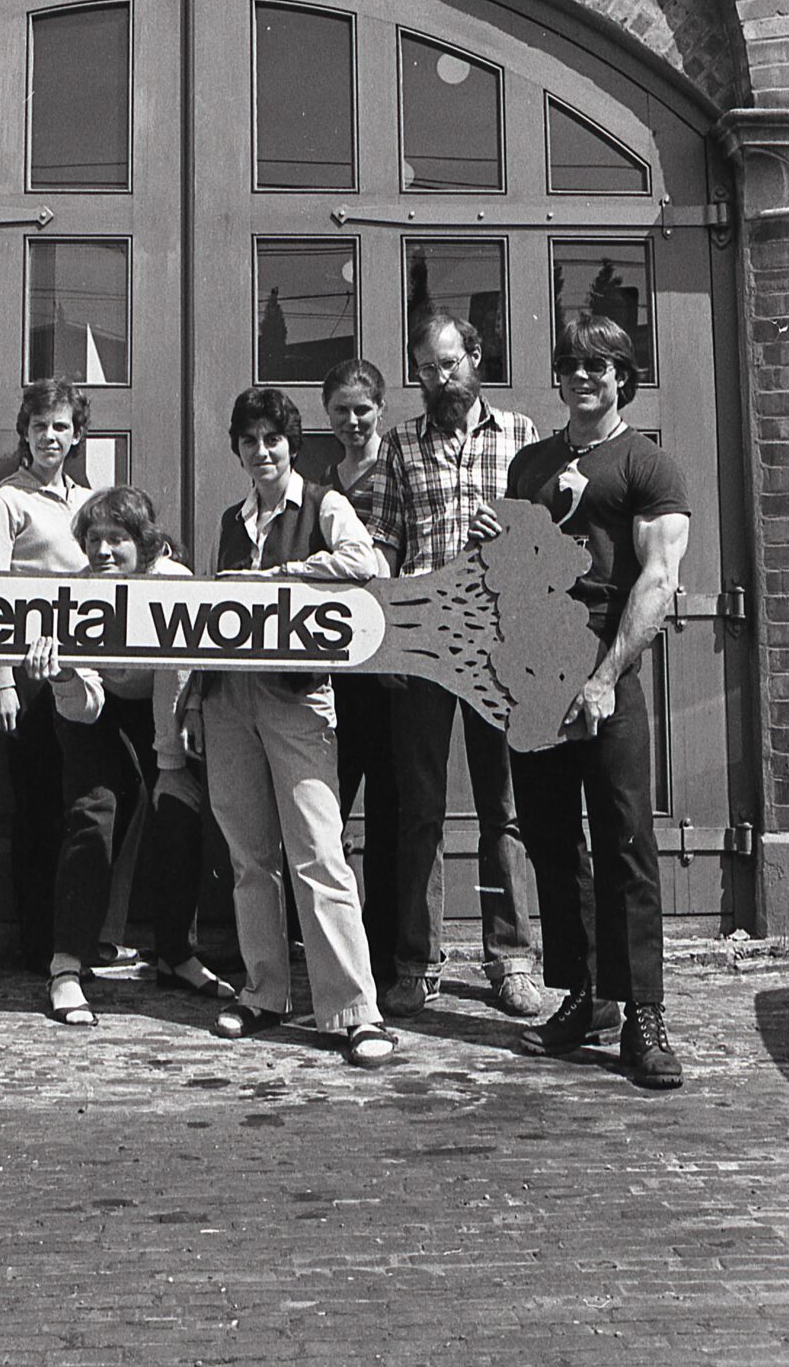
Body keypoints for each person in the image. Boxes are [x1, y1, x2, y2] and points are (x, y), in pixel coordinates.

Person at [498, 315, 690, 1089]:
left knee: (623, 843)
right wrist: (500, 538)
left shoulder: (647, 465)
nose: (584, 376)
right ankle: (588, 996)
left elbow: (657, 579)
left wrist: (605, 680)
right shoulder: (530, 463)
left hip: (607, 680)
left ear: (623, 377)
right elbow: (516, 573)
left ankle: (642, 1012)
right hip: (537, 679)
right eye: (572, 364)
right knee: (549, 839)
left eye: (599, 366)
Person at [200, 385, 395, 1069]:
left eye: (272, 440)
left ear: (292, 445)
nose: (262, 452)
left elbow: (364, 563)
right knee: (251, 855)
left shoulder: (324, 506)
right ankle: (265, 992)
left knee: (317, 850)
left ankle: (354, 1010)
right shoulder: (233, 518)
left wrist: (282, 575)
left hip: (296, 698)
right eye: (249, 442)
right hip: (230, 700)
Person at [366, 311, 542, 1020]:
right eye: (427, 370)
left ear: (476, 356)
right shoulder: (401, 443)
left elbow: (551, 538)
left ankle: (512, 961)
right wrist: (379, 629)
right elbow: (381, 541)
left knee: (505, 810)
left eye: (449, 364)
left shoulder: (524, 436)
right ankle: (417, 964)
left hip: (501, 644)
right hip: (423, 643)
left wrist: (518, 528)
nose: (439, 381)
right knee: (420, 812)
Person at [26, 485, 233, 1027]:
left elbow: (176, 677)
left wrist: (168, 764)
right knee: (93, 812)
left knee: (177, 807)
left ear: (145, 544)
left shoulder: (171, 585)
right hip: (94, 707)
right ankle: (66, 966)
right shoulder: (74, 594)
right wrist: (66, 673)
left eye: (117, 539)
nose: (102, 551)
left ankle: (176, 954)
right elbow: (86, 707)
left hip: (161, 704)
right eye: (93, 539)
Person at [0, 378, 93, 974]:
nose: (52, 436)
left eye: (63, 426)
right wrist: (0, 680)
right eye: (42, 425)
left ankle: (75, 936)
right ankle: (36, 942)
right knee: (38, 809)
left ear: (77, 436)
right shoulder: (6, 502)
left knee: (83, 807)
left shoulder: (89, 501)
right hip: (29, 680)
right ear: (25, 431)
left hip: (80, 677)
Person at [319, 358, 399, 986]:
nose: (352, 421)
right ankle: (337, 937)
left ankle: (392, 945)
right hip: (338, 668)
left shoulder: (395, 470)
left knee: (396, 810)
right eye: (341, 411)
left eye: (362, 410)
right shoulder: (322, 485)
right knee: (331, 806)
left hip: (392, 664)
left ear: (381, 410)